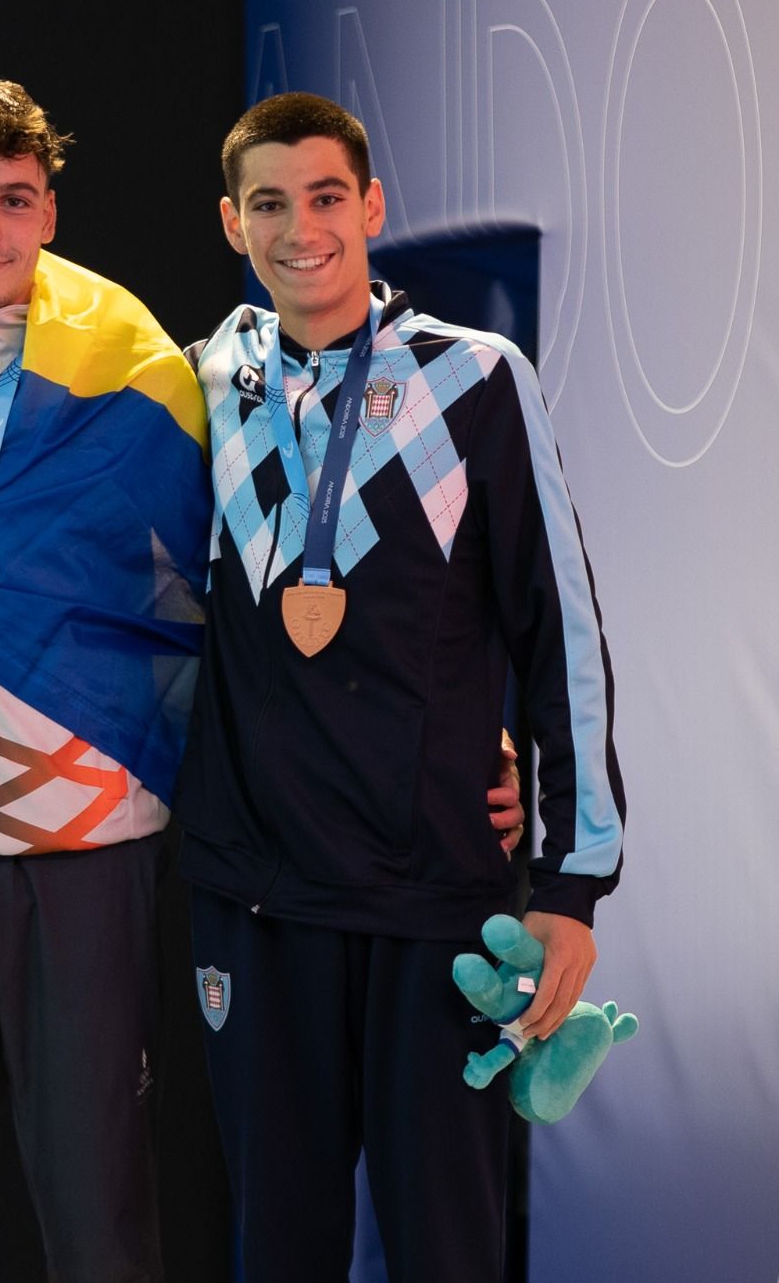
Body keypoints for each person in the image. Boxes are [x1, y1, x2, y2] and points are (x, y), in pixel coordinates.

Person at [0, 77, 526, 1280]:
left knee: (102, 1225)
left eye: (11, 198)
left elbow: (235, 588)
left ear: (49, 213)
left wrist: (473, 736)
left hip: (90, 845)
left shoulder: (141, 378)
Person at [174, 92, 625, 1282]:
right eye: (269, 203)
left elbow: (560, 632)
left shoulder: (475, 378)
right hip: (256, 905)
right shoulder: (201, 382)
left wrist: (571, 884)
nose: (299, 229)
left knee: (447, 1252)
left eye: (326, 196)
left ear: (371, 206)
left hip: (434, 906)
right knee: (277, 1251)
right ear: (231, 222)